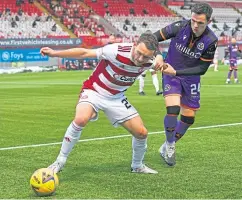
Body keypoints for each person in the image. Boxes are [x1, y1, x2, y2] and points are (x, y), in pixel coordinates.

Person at [40, 32, 164, 174]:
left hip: (116, 98)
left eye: (146, 56)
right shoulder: (115, 51)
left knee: (142, 133)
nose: (141, 58)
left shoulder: (150, 61)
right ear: (134, 45)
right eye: (139, 53)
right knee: (81, 119)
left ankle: (137, 166)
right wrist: (54, 53)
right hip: (94, 91)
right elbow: (84, 53)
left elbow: (168, 69)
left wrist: (172, 68)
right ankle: (59, 161)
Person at [153, 2, 218, 166]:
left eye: (200, 23)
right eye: (193, 21)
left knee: (189, 118)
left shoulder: (211, 40)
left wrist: (177, 72)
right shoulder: (179, 26)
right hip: (170, 73)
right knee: (173, 109)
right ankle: (169, 146)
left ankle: (166, 145)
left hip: (190, 77)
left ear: (208, 22)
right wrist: (159, 56)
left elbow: (202, 68)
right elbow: (153, 38)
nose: (195, 25)